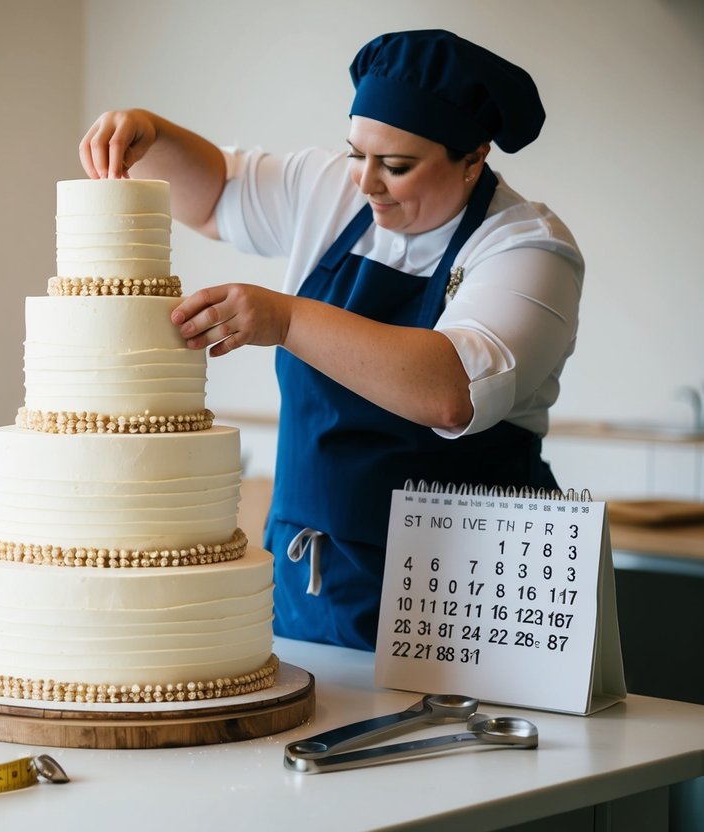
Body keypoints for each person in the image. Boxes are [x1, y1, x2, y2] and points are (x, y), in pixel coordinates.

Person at [79, 29, 584, 651]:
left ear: (474, 158)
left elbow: (454, 391)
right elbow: (213, 196)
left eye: (396, 167)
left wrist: (287, 321)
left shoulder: (527, 247)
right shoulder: (331, 191)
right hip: (312, 574)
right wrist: (150, 131)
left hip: (464, 595)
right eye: (356, 154)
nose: (365, 182)